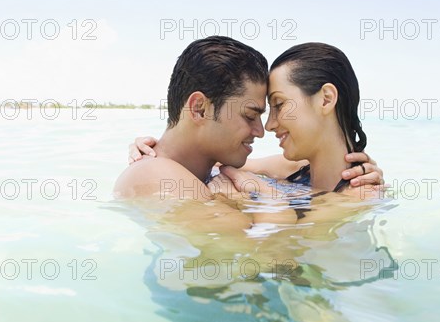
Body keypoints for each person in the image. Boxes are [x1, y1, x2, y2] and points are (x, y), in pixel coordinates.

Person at [124, 39, 384, 203]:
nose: (265, 128)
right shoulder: (285, 170)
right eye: (252, 114)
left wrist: (269, 198)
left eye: (279, 105)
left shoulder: (356, 191)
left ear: (326, 100)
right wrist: (154, 152)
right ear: (199, 109)